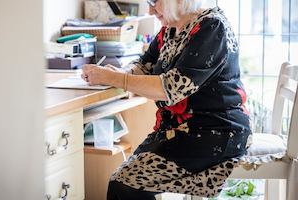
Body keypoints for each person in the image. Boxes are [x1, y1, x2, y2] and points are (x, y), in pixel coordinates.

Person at [81, 0, 252, 199]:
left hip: (217, 131)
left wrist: (117, 79)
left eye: (155, 2)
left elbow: (172, 87)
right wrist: (116, 72)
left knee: (125, 185)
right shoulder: (171, 28)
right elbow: (144, 65)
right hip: (180, 129)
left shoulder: (212, 27)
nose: (150, 10)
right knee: (123, 183)